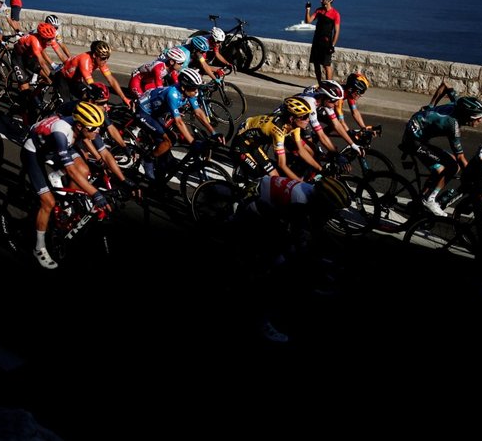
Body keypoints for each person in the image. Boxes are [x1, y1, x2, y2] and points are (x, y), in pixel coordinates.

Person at [231, 175, 351, 343]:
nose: (333, 214)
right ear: (323, 202)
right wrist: (319, 262)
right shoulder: (300, 202)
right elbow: (299, 236)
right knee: (277, 266)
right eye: (333, 209)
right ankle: (261, 321)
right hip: (255, 213)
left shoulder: (310, 192)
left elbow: (316, 229)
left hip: (262, 199)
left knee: (289, 250)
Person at [21, 101, 125, 270]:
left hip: (56, 147)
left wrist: (123, 180)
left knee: (84, 170)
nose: (97, 131)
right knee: (48, 202)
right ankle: (38, 248)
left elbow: (104, 153)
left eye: (98, 127)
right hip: (34, 152)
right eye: (93, 128)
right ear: (79, 126)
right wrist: (95, 194)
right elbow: (70, 170)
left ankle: (67, 202)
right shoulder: (61, 131)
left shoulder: (86, 127)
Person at [400, 84, 482, 216]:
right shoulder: (452, 125)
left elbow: (446, 85)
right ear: (467, 115)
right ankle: (429, 199)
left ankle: (419, 201)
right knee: (450, 167)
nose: (480, 119)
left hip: (418, 129)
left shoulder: (458, 103)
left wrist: (431, 105)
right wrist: (473, 175)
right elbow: (460, 158)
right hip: (414, 140)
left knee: (445, 168)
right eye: (477, 116)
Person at [132, 68, 220, 193]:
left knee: (168, 146)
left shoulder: (188, 91)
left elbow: (198, 112)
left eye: (197, 88)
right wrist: (192, 143)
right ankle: (148, 159)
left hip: (156, 114)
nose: (196, 92)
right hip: (144, 112)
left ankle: (158, 184)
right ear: (184, 88)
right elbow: (178, 122)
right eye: (194, 89)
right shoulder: (172, 94)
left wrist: (213, 131)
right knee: (167, 141)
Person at [232, 96, 322, 182]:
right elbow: (281, 164)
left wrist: (320, 169)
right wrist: (300, 183)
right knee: (273, 177)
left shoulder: (295, 127)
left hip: (254, 141)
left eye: (308, 116)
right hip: (242, 142)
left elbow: (301, 150)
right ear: (292, 118)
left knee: (275, 174)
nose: (308, 119)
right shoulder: (277, 131)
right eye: (305, 117)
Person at [56, 40, 129, 104]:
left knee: (88, 99)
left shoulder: (100, 61)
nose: (106, 60)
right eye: (103, 58)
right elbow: (91, 83)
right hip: (64, 78)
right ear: (94, 55)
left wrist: (124, 98)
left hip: (75, 80)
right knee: (66, 105)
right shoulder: (85, 60)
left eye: (107, 57)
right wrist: (101, 101)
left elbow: (111, 80)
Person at [305, 0, 340, 84]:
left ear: (329, 0)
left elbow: (336, 31)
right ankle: (320, 84)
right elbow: (308, 21)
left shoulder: (335, 14)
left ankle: (328, 86)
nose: (321, 0)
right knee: (316, 64)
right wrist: (307, 10)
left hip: (326, 43)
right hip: (317, 40)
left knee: (326, 65)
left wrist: (332, 45)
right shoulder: (319, 11)